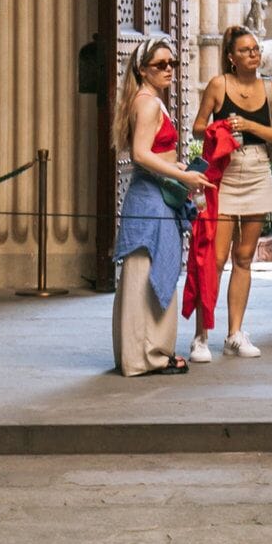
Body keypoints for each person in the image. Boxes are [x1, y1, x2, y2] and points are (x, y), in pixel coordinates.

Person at [110, 41, 204, 375]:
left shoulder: (148, 101)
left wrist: (178, 169)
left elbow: (153, 153)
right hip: (151, 196)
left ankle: (140, 352)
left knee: (145, 272)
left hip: (153, 193)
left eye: (172, 64)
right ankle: (147, 355)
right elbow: (140, 154)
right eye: (160, 64)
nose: (168, 70)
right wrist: (184, 173)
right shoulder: (148, 104)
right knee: (144, 274)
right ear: (142, 69)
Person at [197, 27, 272, 357]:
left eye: (256, 49)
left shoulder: (271, 89)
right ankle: (201, 335)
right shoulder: (219, 85)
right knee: (216, 258)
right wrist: (221, 129)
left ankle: (235, 333)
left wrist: (248, 126)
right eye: (246, 50)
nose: (253, 54)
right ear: (232, 57)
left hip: (258, 167)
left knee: (245, 258)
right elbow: (197, 125)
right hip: (226, 169)